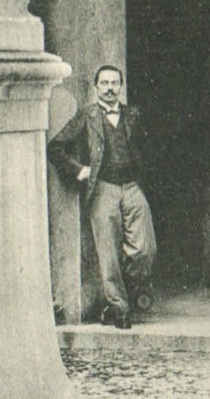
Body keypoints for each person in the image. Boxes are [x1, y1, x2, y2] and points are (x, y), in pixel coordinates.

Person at [48, 65, 157, 330]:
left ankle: (130, 288)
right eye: (104, 83)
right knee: (108, 252)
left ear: (121, 87)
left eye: (115, 83)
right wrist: (80, 170)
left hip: (131, 186)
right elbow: (56, 147)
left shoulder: (133, 115)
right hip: (104, 187)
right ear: (96, 87)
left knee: (144, 248)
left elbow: (148, 148)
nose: (109, 89)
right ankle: (119, 308)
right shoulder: (88, 116)